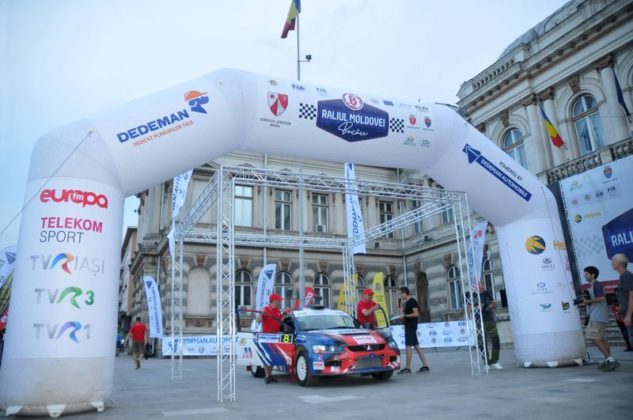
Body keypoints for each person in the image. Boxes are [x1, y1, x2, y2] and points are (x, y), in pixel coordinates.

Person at [581, 266, 618, 370]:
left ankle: (610, 359)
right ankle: (608, 360)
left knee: (593, 337)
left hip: (597, 316)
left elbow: (601, 298)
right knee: (601, 338)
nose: (585, 276)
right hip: (597, 315)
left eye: (586, 274)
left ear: (593, 275)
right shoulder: (593, 286)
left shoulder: (597, 284)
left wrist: (588, 301)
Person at [256, 293, 289, 384]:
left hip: (275, 336)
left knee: (273, 357)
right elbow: (258, 320)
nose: (279, 302)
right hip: (266, 336)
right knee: (267, 357)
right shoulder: (266, 309)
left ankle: (269, 376)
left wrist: (284, 314)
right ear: (273, 301)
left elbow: (280, 321)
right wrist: (261, 314)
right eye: (278, 300)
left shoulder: (277, 310)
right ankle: (267, 376)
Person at [397, 287, 430, 374]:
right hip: (409, 326)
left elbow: (416, 314)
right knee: (416, 346)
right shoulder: (407, 302)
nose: (400, 296)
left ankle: (408, 368)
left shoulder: (412, 301)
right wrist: (402, 312)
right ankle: (425, 365)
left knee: (408, 346)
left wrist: (405, 316)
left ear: (404, 293)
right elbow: (406, 315)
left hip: (411, 326)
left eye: (400, 293)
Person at [470, 282, 502, 370]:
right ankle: (486, 362)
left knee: (496, 340)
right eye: (478, 285)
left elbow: (494, 304)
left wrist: (489, 306)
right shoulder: (472, 296)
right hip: (478, 321)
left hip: (490, 320)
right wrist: (477, 307)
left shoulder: (487, 293)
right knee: (481, 343)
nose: (480, 286)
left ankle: (494, 361)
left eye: (481, 284)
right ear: (475, 287)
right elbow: (469, 308)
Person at [612, 253, 633, 351]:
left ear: (619, 263)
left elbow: (632, 296)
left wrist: (628, 315)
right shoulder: (622, 276)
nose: (611, 263)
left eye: (613, 261)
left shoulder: (627, 276)